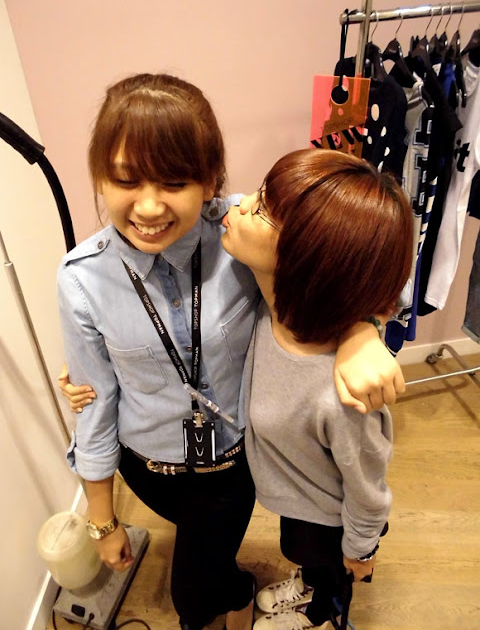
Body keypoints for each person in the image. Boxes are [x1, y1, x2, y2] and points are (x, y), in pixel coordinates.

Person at [57, 73, 406, 630]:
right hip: (147, 465)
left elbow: (351, 257)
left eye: (174, 181)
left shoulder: (242, 228)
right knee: (209, 561)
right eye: (125, 179)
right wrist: (103, 518)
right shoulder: (81, 279)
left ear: (209, 181)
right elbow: (96, 408)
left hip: (231, 467)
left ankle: (239, 597)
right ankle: (239, 590)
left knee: (193, 598)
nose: (148, 206)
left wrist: (361, 331)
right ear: (101, 177)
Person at [220, 148, 413, 630]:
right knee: (303, 554)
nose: (240, 204)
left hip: (331, 518)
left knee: (331, 571)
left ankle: (322, 612)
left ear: (307, 260)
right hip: (293, 498)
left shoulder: (341, 395)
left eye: (261, 210)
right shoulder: (268, 306)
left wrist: (360, 551)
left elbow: (368, 489)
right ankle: (311, 584)